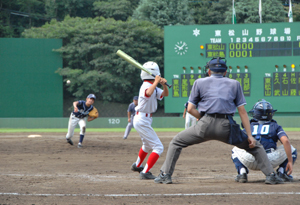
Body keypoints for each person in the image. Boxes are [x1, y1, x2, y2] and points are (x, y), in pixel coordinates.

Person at [154, 57, 283, 185]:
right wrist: (250, 136)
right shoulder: (235, 83)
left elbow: (190, 109)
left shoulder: (199, 82)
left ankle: (165, 175)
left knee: (176, 142)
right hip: (226, 127)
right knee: (255, 147)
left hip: (204, 125)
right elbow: (242, 111)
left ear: (209, 71)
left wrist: (201, 117)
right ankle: (271, 175)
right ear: (225, 72)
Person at [231, 99, 297, 183]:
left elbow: (239, 141)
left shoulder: (249, 125)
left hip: (250, 159)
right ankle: (282, 173)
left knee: (235, 149)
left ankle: (242, 172)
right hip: (270, 161)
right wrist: (290, 161)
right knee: (291, 149)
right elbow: (286, 141)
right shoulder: (275, 126)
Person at [131, 61, 169, 180]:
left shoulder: (152, 85)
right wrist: (157, 82)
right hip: (142, 118)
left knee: (147, 145)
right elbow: (148, 93)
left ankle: (137, 165)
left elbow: (164, 95)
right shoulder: (146, 86)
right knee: (158, 147)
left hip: (144, 119)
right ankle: (145, 172)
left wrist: (164, 85)